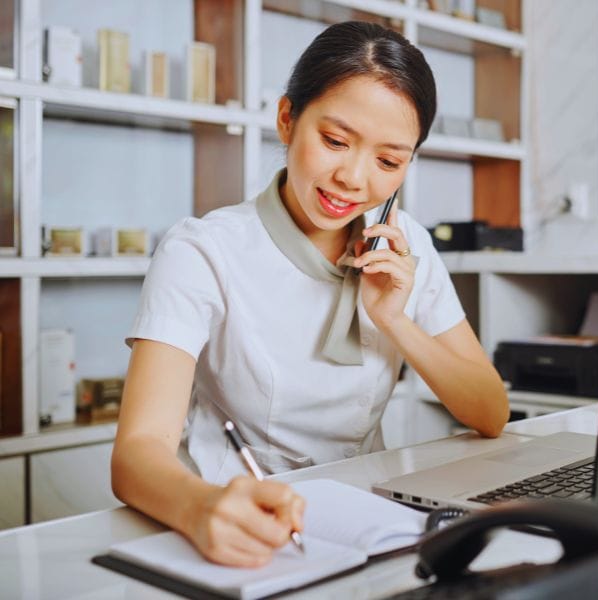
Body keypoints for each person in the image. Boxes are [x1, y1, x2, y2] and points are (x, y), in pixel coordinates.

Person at [111, 21, 509, 568]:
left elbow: (490, 411)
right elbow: (136, 453)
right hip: (238, 520)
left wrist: (395, 320)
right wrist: (202, 508)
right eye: (335, 141)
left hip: (368, 521)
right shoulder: (202, 250)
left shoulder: (405, 246)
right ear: (287, 119)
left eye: (388, 161)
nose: (352, 177)